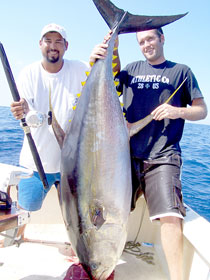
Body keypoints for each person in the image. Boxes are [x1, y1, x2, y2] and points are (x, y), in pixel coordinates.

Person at [90, 28, 207, 280]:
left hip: (163, 156)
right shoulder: (131, 69)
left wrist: (178, 112)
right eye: (141, 41)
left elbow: (201, 110)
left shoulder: (181, 72)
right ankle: (98, 258)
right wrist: (111, 49)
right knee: (103, 209)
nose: (146, 45)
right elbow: (111, 83)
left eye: (150, 39)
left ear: (162, 38)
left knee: (170, 217)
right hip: (124, 155)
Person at [10, 23, 90, 241]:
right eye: (48, 41)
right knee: (26, 207)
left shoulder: (82, 68)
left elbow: (108, 77)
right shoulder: (28, 73)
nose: (53, 46)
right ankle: (18, 237)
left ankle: (77, 244)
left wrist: (107, 50)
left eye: (58, 42)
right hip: (37, 162)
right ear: (40, 44)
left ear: (66, 46)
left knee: (76, 213)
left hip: (72, 165)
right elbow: (26, 110)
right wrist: (22, 111)